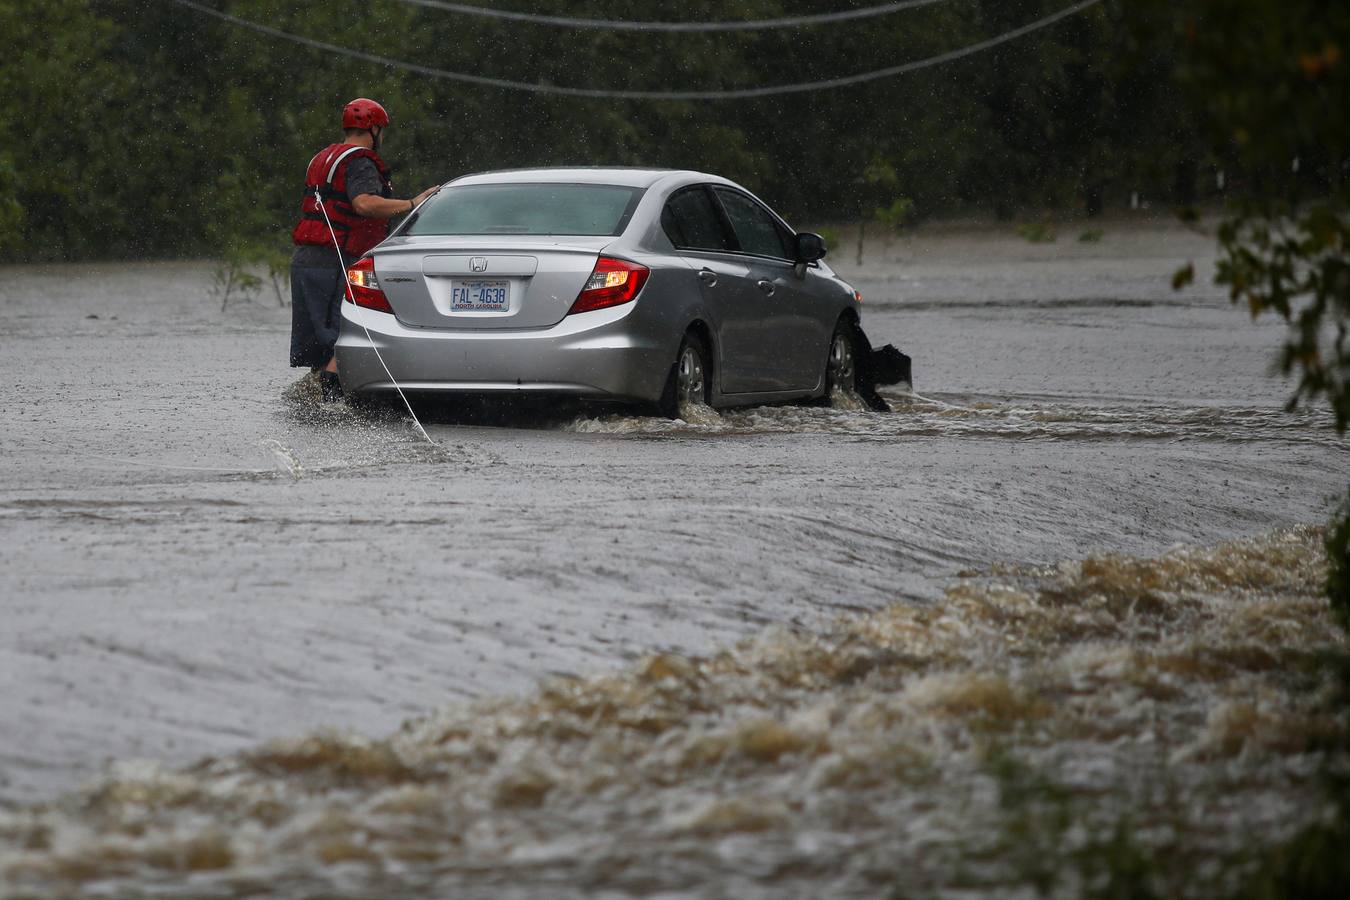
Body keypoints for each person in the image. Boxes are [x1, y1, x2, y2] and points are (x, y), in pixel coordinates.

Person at [289, 98, 440, 402]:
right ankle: (335, 408)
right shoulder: (361, 161)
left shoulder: (323, 157)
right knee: (344, 334)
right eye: (381, 130)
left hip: (306, 260)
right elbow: (364, 203)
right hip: (335, 259)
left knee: (320, 343)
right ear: (373, 128)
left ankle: (316, 403)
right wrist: (412, 204)